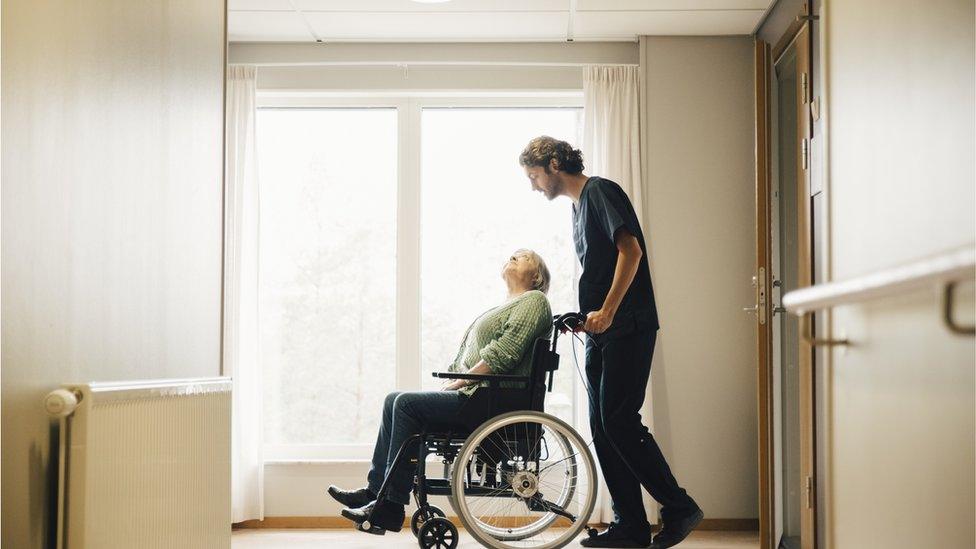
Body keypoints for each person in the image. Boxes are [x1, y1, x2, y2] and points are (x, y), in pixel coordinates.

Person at [520, 136, 702, 549]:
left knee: (620, 420)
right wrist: (586, 318)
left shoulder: (599, 190)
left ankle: (678, 506)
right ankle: (631, 527)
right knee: (603, 428)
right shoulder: (576, 208)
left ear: (552, 164)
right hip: (602, 330)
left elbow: (631, 251)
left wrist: (609, 311)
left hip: (628, 325)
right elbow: (601, 272)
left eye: (533, 176)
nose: (533, 186)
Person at [329, 249, 553, 535]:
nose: (513, 256)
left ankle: (390, 506)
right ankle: (375, 491)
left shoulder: (534, 301)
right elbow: (469, 354)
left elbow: (504, 353)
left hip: (493, 401)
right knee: (393, 400)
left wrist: (460, 381)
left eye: (522, 257)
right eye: (512, 254)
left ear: (536, 276)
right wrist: (456, 378)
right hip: (480, 396)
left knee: (406, 404)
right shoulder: (506, 305)